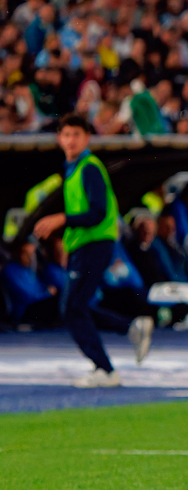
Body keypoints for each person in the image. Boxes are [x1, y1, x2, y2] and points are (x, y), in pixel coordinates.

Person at [31, 114, 153, 387]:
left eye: (76, 134)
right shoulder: (73, 170)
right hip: (84, 244)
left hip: (95, 242)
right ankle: (129, 329)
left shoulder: (89, 168)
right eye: (66, 135)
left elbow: (97, 212)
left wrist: (62, 219)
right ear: (59, 139)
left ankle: (105, 368)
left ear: (87, 138)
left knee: (72, 307)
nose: (71, 140)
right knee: (75, 306)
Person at [1, 240, 60, 327]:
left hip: (36, 303)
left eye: (33, 255)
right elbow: (28, 295)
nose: (31, 258)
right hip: (24, 309)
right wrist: (47, 293)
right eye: (27, 254)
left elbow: (38, 287)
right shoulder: (11, 270)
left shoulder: (30, 269)